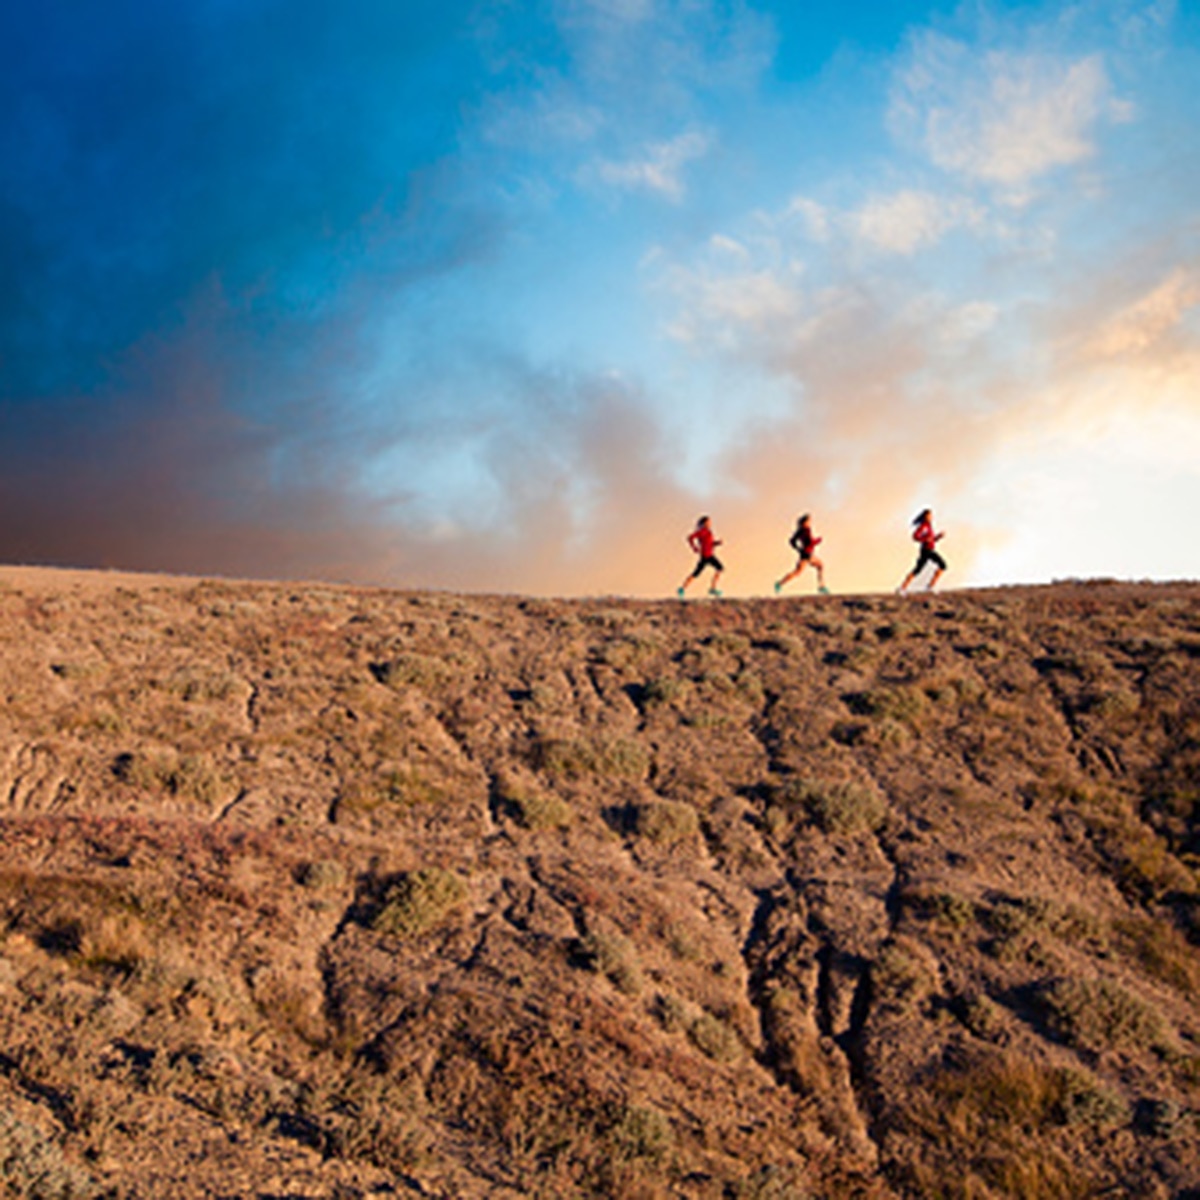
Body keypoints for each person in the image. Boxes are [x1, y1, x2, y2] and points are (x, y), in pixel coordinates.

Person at [774, 513, 829, 595]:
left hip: (806, 554)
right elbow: (810, 542)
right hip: (807, 555)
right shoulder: (807, 530)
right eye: (809, 521)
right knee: (798, 572)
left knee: (819, 566)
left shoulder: (799, 531)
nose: (810, 523)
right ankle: (779, 583)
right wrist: (818, 540)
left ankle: (822, 586)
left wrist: (798, 549)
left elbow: (792, 541)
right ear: (805, 522)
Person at [897, 508, 947, 593]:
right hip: (927, 550)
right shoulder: (924, 526)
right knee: (942, 565)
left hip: (928, 550)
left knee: (918, 570)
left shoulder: (928, 526)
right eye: (929, 516)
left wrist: (938, 537)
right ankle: (929, 586)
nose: (931, 517)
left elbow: (931, 540)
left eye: (931, 516)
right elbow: (915, 536)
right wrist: (924, 540)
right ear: (925, 517)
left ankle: (903, 587)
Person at [678, 515, 724, 597]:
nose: (710, 523)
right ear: (704, 523)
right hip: (705, 556)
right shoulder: (702, 531)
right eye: (708, 522)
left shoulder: (708, 532)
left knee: (720, 568)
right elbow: (690, 537)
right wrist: (694, 548)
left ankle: (713, 588)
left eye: (710, 522)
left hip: (710, 555)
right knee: (696, 573)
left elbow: (709, 544)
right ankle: (682, 589)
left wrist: (717, 543)